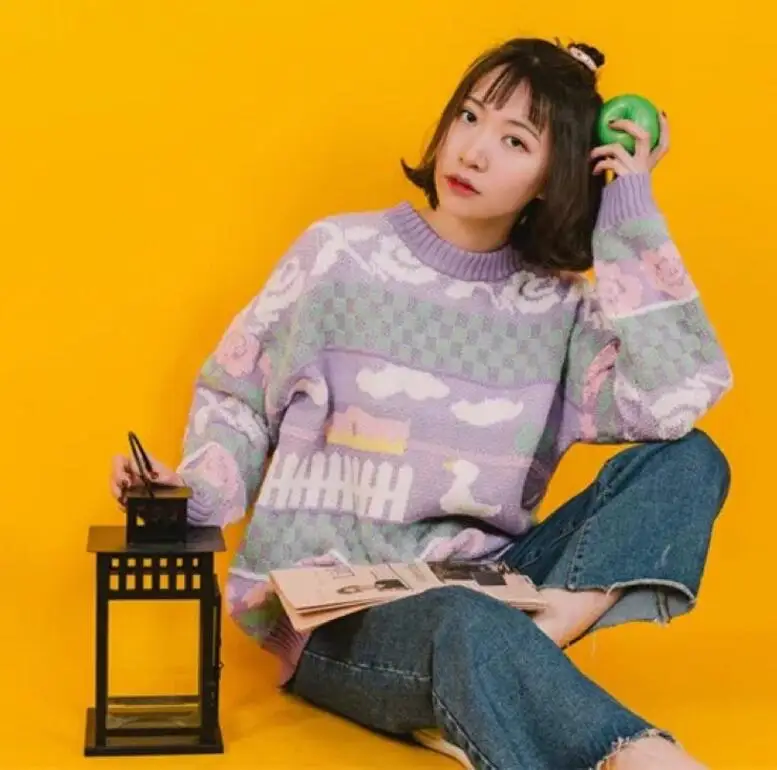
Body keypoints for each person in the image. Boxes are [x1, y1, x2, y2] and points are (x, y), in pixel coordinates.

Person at [110, 37, 732, 770]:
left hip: (495, 585)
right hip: (337, 618)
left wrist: (629, 209)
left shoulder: (558, 307)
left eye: (514, 140)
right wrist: (191, 491)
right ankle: (636, 755)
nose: (472, 151)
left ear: (551, 177)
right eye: (469, 116)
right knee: (461, 622)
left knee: (691, 460)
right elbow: (238, 397)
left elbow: (674, 398)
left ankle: (535, 641)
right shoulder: (339, 256)